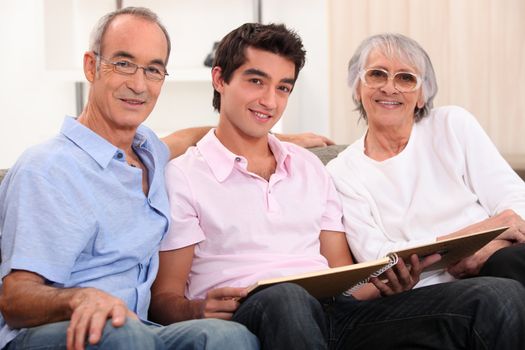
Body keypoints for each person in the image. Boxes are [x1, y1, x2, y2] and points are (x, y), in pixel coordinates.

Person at [149, 22, 525, 349]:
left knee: (498, 296)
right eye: (256, 81)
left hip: (336, 314)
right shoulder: (184, 176)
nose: (269, 100)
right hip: (258, 308)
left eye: (283, 88)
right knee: (287, 297)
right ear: (220, 79)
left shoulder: (310, 169)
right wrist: (198, 309)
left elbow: (347, 280)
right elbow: (164, 297)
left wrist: (388, 283)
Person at [0, 7, 260, 350]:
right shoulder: (47, 168)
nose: (138, 85)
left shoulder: (148, 149)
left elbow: (188, 137)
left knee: (228, 336)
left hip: (140, 328)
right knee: (125, 333)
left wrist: (278, 140)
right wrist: (80, 299)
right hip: (58, 333)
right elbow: (14, 298)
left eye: (153, 70)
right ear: (91, 66)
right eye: (123, 63)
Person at [326, 33, 525, 287]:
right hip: (434, 291)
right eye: (377, 74)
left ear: (422, 95)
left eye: (405, 78)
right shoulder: (341, 172)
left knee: (508, 263)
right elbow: (377, 257)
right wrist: (475, 239)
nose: (389, 87)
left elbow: (515, 203)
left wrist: (488, 248)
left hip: (500, 257)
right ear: (357, 87)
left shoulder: (452, 125)